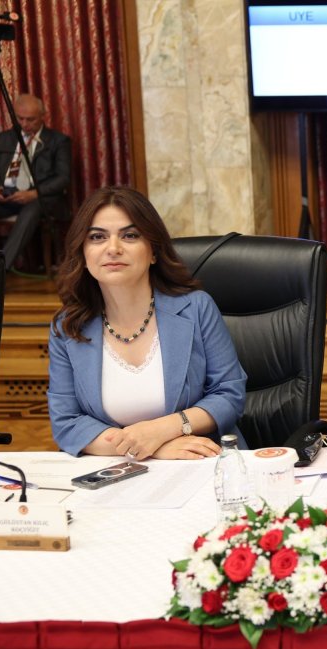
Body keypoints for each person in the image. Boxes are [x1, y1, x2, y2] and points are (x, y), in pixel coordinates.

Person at [47, 186, 246, 458]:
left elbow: (229, 395)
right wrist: (152, 448)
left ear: (153, 251)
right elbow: (67, 423)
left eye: (130, 235)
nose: (113, 248)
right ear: (82, 254)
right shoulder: (67, 328)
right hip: (115, 474)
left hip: (202, 465)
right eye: (97, 237)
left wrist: (162, 430)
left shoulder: (196, 308)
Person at [0, 94, 72, 270]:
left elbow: (63, 178)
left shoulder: (58, 141)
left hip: (41, 199)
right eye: (20, 118)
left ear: (43, 116)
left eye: (30, 119)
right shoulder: (3, 139)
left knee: (32, 209)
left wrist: (33, 193)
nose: (24, 124)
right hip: (7, 197)